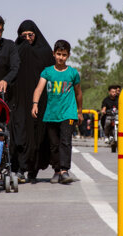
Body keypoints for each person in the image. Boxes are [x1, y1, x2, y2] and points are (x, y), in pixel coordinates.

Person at [9, 20, 55, 183]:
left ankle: (33, 169)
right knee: (20, 133)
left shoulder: (45, 52)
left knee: (38, 135)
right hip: (19, 101)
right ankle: (20, 168)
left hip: (40, 102)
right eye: (24, 36)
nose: (27, 38)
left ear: (36, 34)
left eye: (30, 35)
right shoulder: (15, 51)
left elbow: (53, 75)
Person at [31, 40, 83, 184]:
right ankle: (56, 170)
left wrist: (79, 111)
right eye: (58, 54)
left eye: (64, 55)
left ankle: (65, 171)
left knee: (65, 142)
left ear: (68, 56)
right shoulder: (47, 71)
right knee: (53, 144)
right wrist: (35, 104)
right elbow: (38, 89)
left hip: (69, 113)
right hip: (51, 114)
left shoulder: (73, 73)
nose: (61, 57)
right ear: (53, 54)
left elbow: (78, 93)